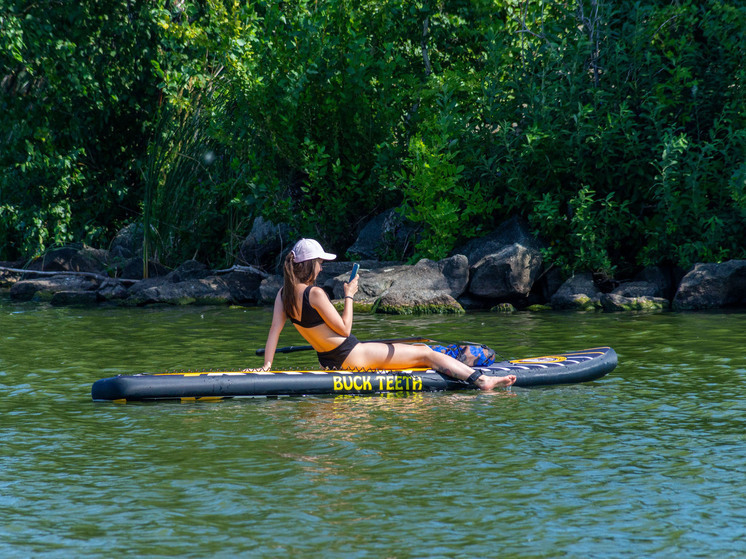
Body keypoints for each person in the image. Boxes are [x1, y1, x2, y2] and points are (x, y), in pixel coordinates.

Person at [256, 238, 516, 390]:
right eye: (321, 263)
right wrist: (349, 294)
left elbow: (274, 332)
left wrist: (267, 367)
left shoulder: (283, 294)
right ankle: (482, 381)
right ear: (310, 265)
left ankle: (456, 364)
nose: (322, 268)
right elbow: (344, 330)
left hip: (329, 362)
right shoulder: (314, 294)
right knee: (426, 354)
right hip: (352, 355)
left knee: (415, 349)